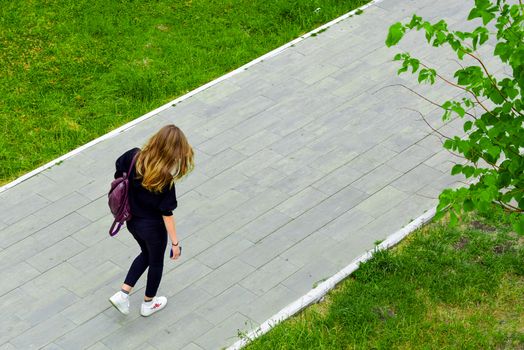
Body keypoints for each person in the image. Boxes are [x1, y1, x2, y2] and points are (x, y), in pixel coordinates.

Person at [109, 124, 194, 317]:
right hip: (153, 228)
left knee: (146, 254)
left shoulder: (133, 157)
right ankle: (148, 303)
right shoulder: (164, 178)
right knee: (156, 262)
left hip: (131, 221)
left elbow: (118, 172)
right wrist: (175, 243)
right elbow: (167, 213)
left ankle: (123, 294)